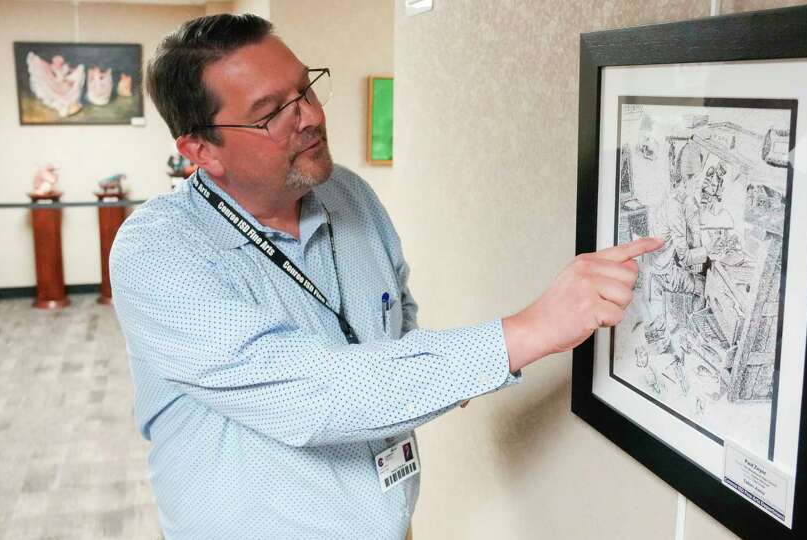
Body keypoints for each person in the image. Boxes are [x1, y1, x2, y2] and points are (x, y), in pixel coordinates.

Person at [110, 13, 661, 540]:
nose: (311, 117)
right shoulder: (157, 253)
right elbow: (311, 395)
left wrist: (447, 371)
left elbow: (397, 330)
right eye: (271, 111)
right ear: (200, 149)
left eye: (305, 90)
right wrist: (528, 331)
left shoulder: (349, 194)